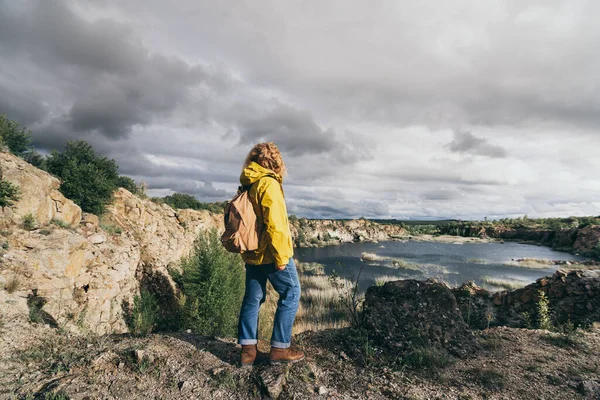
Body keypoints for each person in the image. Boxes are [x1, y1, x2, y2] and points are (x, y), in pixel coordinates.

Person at [237, 142, 304, 366]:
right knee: (292, 292)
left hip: (252, 252)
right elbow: (276, 225)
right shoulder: (268, 183)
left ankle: (248, 353)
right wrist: (282, 257)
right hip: (269, 253)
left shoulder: (248, 183)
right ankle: (279, 350)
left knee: (253, 298)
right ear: (275, 162)